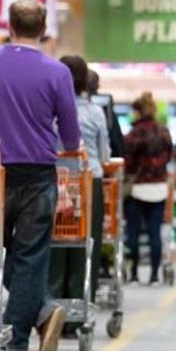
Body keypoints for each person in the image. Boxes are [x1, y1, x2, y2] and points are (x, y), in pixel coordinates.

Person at [0, 0, 80, 351]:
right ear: (43, 29)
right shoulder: (57, 73)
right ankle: (23, 332)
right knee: (31, 257)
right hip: (38, 174)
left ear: (9, 26)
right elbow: (70, 135)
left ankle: (30, 319)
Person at [50, 55, 110, 304]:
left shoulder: (50, 111)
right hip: (87, 182)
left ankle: (53, 307)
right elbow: (104, 154)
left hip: (57, 181)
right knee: (86, 243)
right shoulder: (95, 112)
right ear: (86, 80)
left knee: (55, 243)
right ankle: (82, 302)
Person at [123, 91, 174, 284]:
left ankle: (134, 274)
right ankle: (154, 275)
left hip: (137, 189)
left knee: (133, 233)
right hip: (159, 189)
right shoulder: (164, 132)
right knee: (155, 234)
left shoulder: (134, 134)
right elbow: (169, 157)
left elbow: (127, 162)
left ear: (138, 111)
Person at [88, 69, 126, 159]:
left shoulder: (72, 106)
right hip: (104, 163)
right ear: (98, 85)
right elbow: (116, 141)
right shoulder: (105, 107)